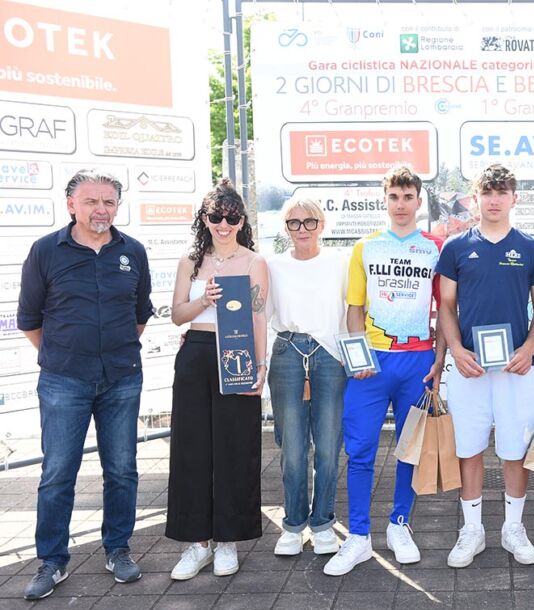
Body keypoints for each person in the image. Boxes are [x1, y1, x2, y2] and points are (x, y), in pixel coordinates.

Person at [17, 170, 153, 600]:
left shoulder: (133, 251)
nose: (101, 210)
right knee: (58, 473)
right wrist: (64, 355)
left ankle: (118, 549)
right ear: (71, 205)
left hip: (122, 378)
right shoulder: (45, 251)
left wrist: (111, 351)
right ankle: (52, 560)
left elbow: (140, 314)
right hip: (63, 381)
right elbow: (29, 319)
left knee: (122, 469)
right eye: (92, 201)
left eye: (109, 202)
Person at [324, 166, 444, 576]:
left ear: (419, 201)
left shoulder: (435, 247)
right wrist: (358, 358)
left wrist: (439, 361)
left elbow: (446, 309)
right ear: (385, 200)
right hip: (372, 362)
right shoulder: (366, 247)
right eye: (394, 197)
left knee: (409, 447)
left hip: (417, 361)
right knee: (360, 450)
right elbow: (354, 308)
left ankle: (399, 524)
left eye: (408, 197)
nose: (401, 204)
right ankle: (358, 536)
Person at [436, 164, 534, 568]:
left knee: (515, 450)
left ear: (514, 198)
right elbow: (446, 306)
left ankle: (512, 528)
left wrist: (529, 348)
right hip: (469, 369)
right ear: (475, 198)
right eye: (487, 192)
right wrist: (456, 349)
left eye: (502, 192)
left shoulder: (532, 248)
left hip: (515, 370)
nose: (494, 199)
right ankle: (473, 530)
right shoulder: (455, 248)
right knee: (469, 449)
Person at [165, 179, 269, 580]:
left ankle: (228, 540)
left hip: (237, 355)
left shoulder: (254, 262)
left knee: (235, 447)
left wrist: (260, 367)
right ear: (204, 220)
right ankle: (197, 543)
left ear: (242, 221)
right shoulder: (190, 262)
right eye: (216, 217)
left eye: (231, 217)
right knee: (191, 449)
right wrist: (203, 300)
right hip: (195, 353)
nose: (223, 225)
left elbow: (258, 317)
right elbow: (177, 315)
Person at [266, 197, 348, 557]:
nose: (302, 229)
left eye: (310, 221)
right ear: (285, 228)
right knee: (293, 448)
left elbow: (354, 310)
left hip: (330, 356)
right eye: (294, 223)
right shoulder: (272, 265)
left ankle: (323, 522)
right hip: (287, 353)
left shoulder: (340, 262)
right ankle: (294, 523)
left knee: (328, 447)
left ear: (322, 225)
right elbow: (258, 313)